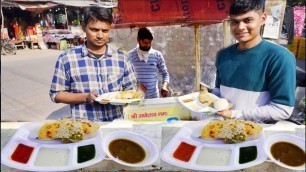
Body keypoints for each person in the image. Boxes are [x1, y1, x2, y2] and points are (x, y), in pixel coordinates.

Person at [213, 0, 296, 123]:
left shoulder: (279, 57)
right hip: (222, 127)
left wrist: (235, 114)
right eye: (235, 22)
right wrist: (206, 102)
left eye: (248, 20)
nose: (240, 27)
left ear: (263, 19)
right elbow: (218, 91)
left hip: (256, 133)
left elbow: (283, 109)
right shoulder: (224, 55)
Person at [49, 7, 137, 121]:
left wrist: (125, 96)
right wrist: (85, 97)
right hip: (84, 127)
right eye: (94, 30)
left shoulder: (122, 58)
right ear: (83, 27)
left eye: (105, 31)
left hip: (116, 125)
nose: (100, 35)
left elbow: (132, 90)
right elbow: (56, 94)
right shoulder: (67, 59)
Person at [128, 27, 170, 99]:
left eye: (150, 42)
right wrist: (137, 84)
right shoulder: (130, 56)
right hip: (136, 99)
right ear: (138, 40)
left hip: (154, 98)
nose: (148, 45)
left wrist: (164, 86)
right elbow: (125, 77)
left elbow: (165, 73)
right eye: (145, 42)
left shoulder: (157, 55)